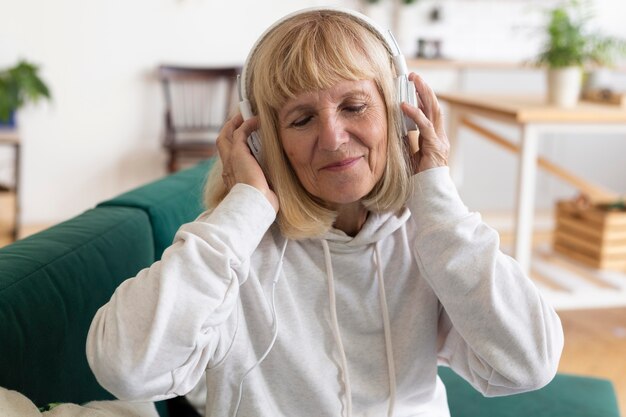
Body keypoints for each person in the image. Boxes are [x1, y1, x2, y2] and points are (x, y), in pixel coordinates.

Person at [86, 7, 563, 417]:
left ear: (399, 111)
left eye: (355, 105)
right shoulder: (235, 247)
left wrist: (437, 199)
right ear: (262, 139)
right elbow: (125, 368)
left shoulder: (432, 236)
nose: (333, 138)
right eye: (302, 118)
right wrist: (243, 213)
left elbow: (530, 363)